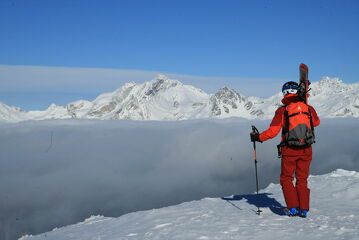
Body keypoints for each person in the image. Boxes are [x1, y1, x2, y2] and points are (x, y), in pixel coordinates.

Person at [250, 81, 320, 218]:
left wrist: (258, 138)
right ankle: (303, 209)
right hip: (306, 149)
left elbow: (273, 131)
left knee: (286, 179)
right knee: (302, 179)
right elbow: (316, 123)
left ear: (284, 93)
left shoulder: (282, 110)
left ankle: (293, 208)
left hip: (289, 150)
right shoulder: (309, 108)